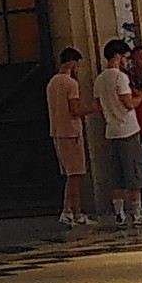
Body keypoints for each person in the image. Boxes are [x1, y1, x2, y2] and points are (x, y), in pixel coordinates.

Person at [92, 39, 142, 225]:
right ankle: (137, 212)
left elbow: (100, 106)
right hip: (128, 129)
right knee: (134, 172)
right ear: (117, 57)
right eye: (125, 58)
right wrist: (140, 96)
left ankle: (119, 213)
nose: (127, 62)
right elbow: (128, 103)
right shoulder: (120, 78)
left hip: (112, 130)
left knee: (116, 174)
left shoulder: (100, 79)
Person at [46, 47, 93, 227]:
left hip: (57, 132)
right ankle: (68, 211)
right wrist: (93, 108)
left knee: (71, 174)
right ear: (72, 63)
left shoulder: (52, 83)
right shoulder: (71, 84)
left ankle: (76, 212)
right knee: (75, 175)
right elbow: (75, 110)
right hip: (71, 132)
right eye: (78, 66)